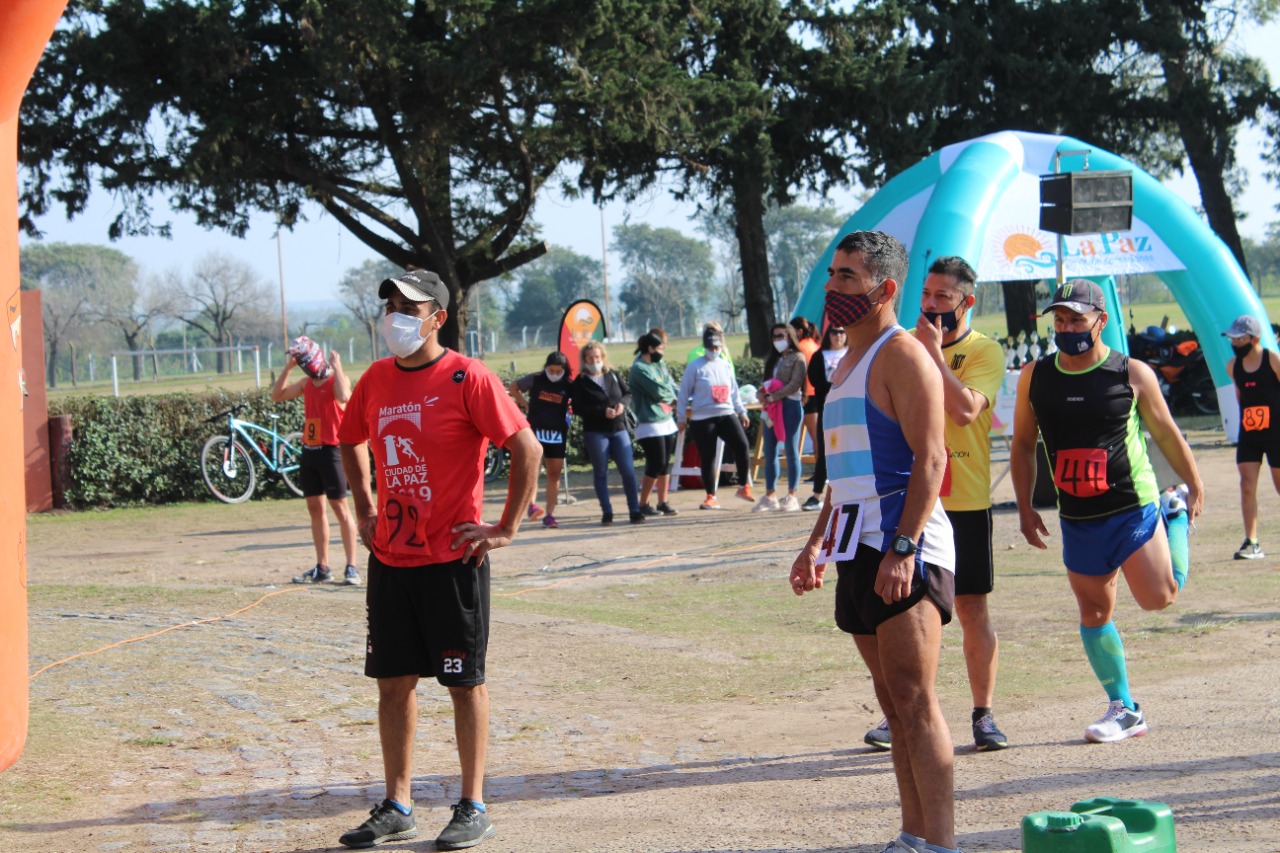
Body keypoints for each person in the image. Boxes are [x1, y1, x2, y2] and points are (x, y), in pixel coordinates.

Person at [336, 269, 541, 851]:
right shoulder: (375, 380)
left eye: (409, 306)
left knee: (463, 682)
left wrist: (506, 527)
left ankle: (473, 804)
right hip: (391, 561)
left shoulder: (466, 377)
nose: (395, 315)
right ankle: (398, 804)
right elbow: (348, 437)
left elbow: (524, 445)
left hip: (453, 561)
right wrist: (366, 503)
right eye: (390, 305)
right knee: (393, 683)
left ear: (437, 318)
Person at [789, 231, 961, 853]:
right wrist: (813, 545)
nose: (833, 289)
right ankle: (912, 835)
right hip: (852, 547)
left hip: (903, 548)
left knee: (915, 701)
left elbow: (932, 459)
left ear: (884, 290)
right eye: (833, 275)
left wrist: (904, 547)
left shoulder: (903, 355)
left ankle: (940, 843)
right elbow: (843, 476)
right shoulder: (841, 368)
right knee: (892, 703)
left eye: (847, 279)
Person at [1011, 278, 1203, 745]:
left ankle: (1172, 514)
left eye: (1077, 318)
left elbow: (1166, 433)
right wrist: (1024, 507)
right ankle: (1125, 707)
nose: (1067, 327)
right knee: (1095, 609)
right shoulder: (1036, 376)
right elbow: (1021, 444)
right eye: (1059, 319)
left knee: (1159, 598)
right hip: (1076, 516)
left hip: (1131, 507)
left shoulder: (1132, 373)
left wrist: (1194, 483)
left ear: (1100, 320)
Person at [863, 256, 1009, 754]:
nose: (929, 304)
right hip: (910, 501)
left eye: (943, 296)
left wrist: (935, 357)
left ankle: (983, 713)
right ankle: (903, 711)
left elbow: (967, 411)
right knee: (906, 614)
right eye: (925, 294)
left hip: (963, 500)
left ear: (967, 301)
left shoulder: (986, 350)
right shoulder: (903, 346)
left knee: (971, 609)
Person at [270, 339, 361, 586]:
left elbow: (344, 396)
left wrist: (338, 366)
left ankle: (351, 567)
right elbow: (276, 396)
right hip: (310, 451)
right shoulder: (306, 383)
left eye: (302, 360)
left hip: (332, 451)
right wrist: (288, 368)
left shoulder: (335, 380)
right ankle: (323, 566)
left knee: (341, 509)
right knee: (315, 510)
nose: (302, 365)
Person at [677, 324, 754, 510]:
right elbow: (683, 393)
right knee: (708, 456)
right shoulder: (695, 366)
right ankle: (711, 495)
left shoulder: (725, 364)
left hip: (726, 413)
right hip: (703, 417)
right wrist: (681, 417)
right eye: (711, 348)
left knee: (742, 445)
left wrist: (741, 411)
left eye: (717, 347)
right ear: (705, 347)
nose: (714, 351)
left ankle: (744, 485)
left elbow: (734, 391)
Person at [1223, 313, 1280, 560]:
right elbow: (1240, 397)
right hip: (1250, 435)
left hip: (1276, 432)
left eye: (1239, 338)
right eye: (1232, 338)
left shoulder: (1273, 359)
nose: (1234, 343)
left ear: (1254, 339)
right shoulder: (1232, 366)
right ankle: (1252, 542)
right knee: (1246, 485)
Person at [570, 340, 645, 525]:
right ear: (585, 359)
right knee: (600, 472)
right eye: (590, 357)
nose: (594, 360)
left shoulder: (612, 374)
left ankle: (634, 510)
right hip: (596, 432)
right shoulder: (580, 382)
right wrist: (601, 412)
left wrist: (622, 405)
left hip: (619, 429)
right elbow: (578, 407)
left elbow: (627, 394)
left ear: (602, 357)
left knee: (628, 471)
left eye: (597, 356)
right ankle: (607, 512)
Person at [510, 351, 573, 529]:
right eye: (550, 370)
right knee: (533, 470)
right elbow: (514, 387)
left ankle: (550, 514)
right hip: (535, 429)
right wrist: (526, 405)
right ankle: (531, 505)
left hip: (557, 433)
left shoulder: (568, 384)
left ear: (564, 370)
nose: (553, 374)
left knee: (554, 473)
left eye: (558, 371)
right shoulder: (536, 378)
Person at [754, 322, 807, 512]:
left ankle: (792, 495)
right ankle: (770, 495)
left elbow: (795, 384)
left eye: (781, 336)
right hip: (771, 408)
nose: (778, 340)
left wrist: (774, 396)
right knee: (769, 452)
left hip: (790, 405)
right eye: (775, 336)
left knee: (791, 450)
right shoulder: (773, 359)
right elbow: (765, 382)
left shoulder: (798, 358)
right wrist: (761, 394)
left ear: (790, 337)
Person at [630, 332, 679, 517]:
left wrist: (669, 394)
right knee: (655, 462)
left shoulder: (658, 363)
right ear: (649, 348)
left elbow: (668, 384)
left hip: (666, 419)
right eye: (659, 349)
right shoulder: (639, 368)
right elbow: (659, 392)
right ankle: (642, 503)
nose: (661, 353)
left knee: (665, 463)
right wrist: (669, 396)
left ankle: (662, 502)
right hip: (649, 422)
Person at [802, 325, 847, 511]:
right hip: (827, 409)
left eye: (842, 332)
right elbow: (815, 380)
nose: (838, 336)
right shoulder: (820, 356)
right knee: (825, 452)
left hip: (849, 412)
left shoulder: (853, 353)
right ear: (828, 335)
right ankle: (816, 494)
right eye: (834, 332)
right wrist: (831, 388)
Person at [791, 316, 822, 476]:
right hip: (816, 393)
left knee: (815, 437)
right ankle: (819, 471)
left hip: (808, 395)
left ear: (799, 331)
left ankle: (820, 472)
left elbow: (800, 373)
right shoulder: (815, 344)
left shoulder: (801, 347)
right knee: (816, 435)